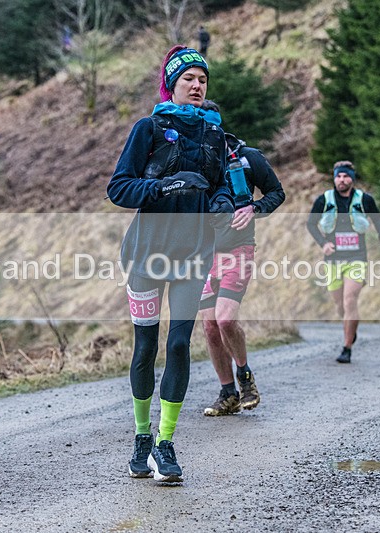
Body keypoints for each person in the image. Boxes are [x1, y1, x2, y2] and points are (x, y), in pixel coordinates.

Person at [107, 46, 232, 483]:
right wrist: (164, 187)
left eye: (203, 80)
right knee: (145, 348)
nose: (197, 86)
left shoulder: (214, 135)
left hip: (194, 255)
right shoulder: (149, 128)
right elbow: (119, 188)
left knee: (179, 345)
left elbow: (219, 188)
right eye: (189, 79)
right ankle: (141, 436)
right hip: (146, 254)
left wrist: (222, 202)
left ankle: (165, 442)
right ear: (172, 84)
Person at [197, 101, 286, 416]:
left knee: (225, 319)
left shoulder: (247, 158)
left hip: (238, 249)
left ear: (218, 126)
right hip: (205, 254)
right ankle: (227, 394)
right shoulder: (192, 162)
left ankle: (245, 376)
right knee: (209, 326)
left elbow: (276, 192)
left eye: (209, 127)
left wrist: (255, 208)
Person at [306, 161, 380, 364]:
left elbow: (377, 219)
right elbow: (311, 223)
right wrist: (323, 243)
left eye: (346, 176)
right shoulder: (324, 200)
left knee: (350, 299)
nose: (342, 180)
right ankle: (350, 328)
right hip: (333, 260)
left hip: (357, 258)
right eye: (338, 176)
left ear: (352, 178)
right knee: (340, 305)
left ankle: (347, 347)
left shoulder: (364, 199)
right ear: (334, 178)